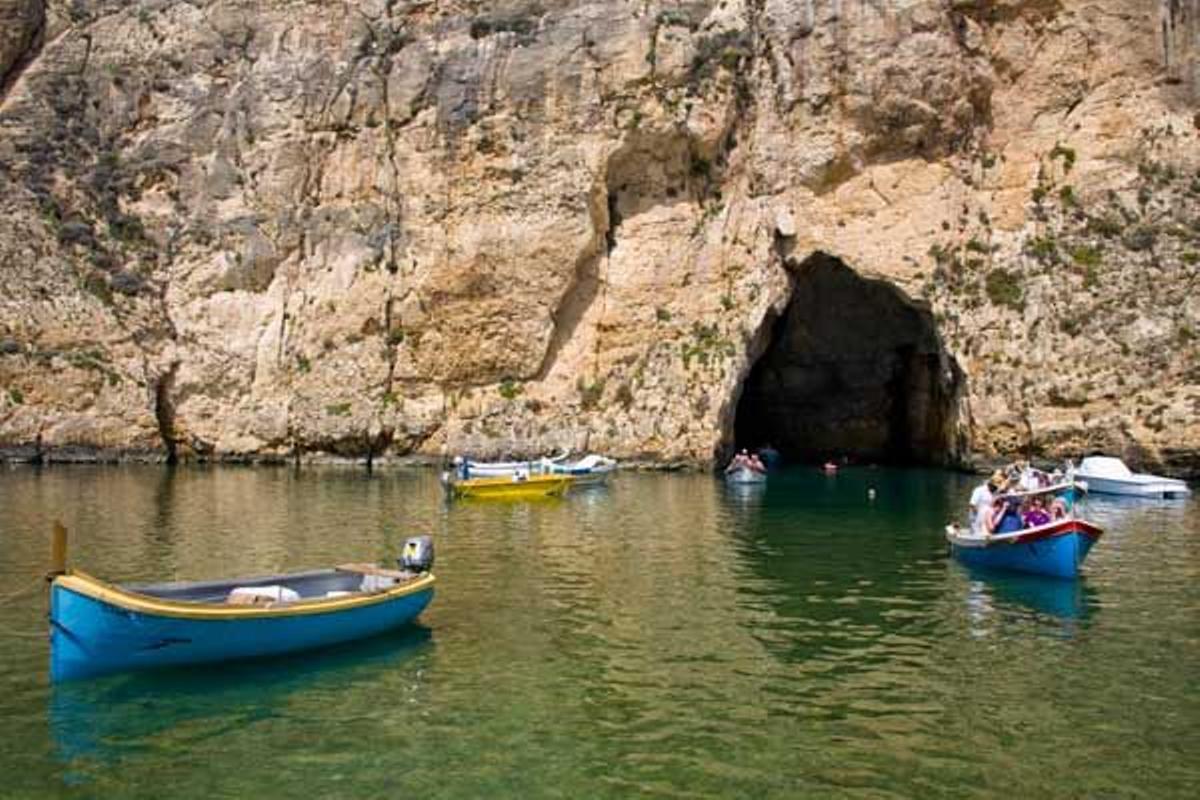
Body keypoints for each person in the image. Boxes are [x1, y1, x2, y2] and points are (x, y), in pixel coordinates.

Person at [969, 470, 1005, 535]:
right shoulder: (979, 490)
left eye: (997, 487)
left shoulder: (995, 492)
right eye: (995, 486)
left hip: (988, 519)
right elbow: (972, 505)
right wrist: (979, 516)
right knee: (977, 534)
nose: (996, 488)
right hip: (976, 517)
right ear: (990, 484)